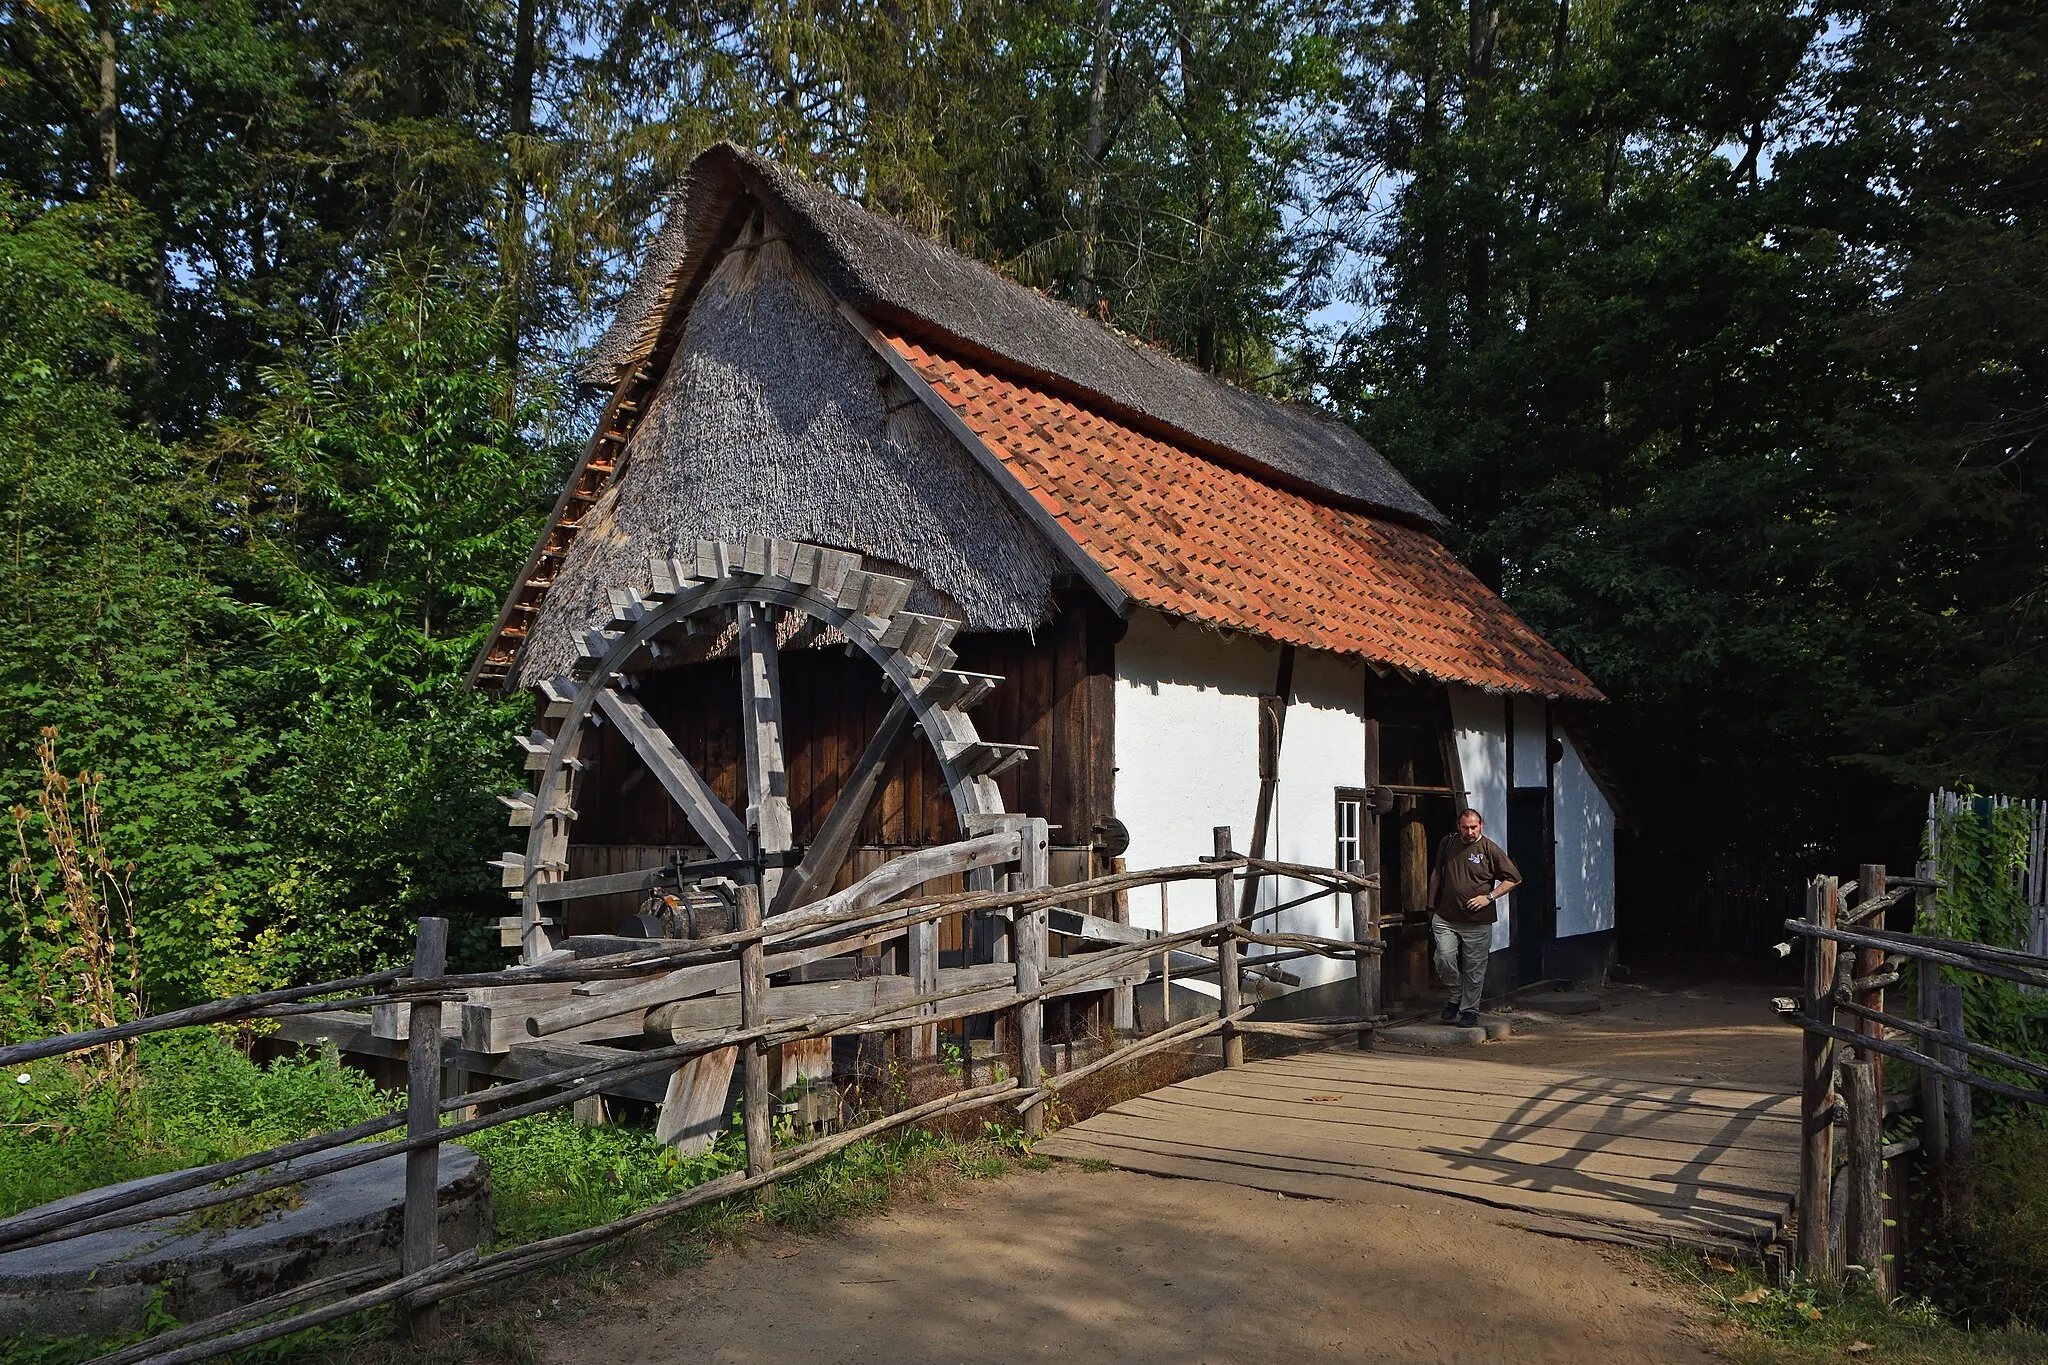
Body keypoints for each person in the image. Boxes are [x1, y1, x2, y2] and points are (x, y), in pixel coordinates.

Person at [1427, 807, 1521, 1028]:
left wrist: (1489, 897)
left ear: (1481, 825)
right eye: (1465, 827)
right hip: (1446, 916)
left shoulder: (1489, 848)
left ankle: (1469, 1010)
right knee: (1443, 958)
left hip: (1478, 920)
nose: (1469, 831)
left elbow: (1514, 878)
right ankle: (1456, 994)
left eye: (1473, 827)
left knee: (1474, 967)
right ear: (1458, 826)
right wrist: (1430, 904)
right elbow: (1437, 873)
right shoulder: (1448, 843)